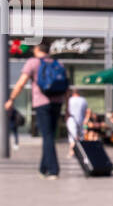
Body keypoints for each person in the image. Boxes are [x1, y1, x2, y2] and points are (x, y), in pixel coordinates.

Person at [4, 39, 68, 178]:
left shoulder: (33, 62)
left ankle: (53, 170)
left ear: (37, 49)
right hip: (57, 102)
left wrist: (11, 99)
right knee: (49, 135)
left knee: (48, 136)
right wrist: (67, 108)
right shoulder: (59, 64)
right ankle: (42, 169)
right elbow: (66, 88)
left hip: (41, 103)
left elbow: (21, 83)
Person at [66, 87, 90, 156]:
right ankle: (81, 152)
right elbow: (86, 111)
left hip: (71, 119)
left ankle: (72, 152)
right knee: (80, 136)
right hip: (81, 120)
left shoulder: (70, 100)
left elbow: (67, 111)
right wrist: (85, 120)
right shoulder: (83, 100)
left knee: (73, 137)